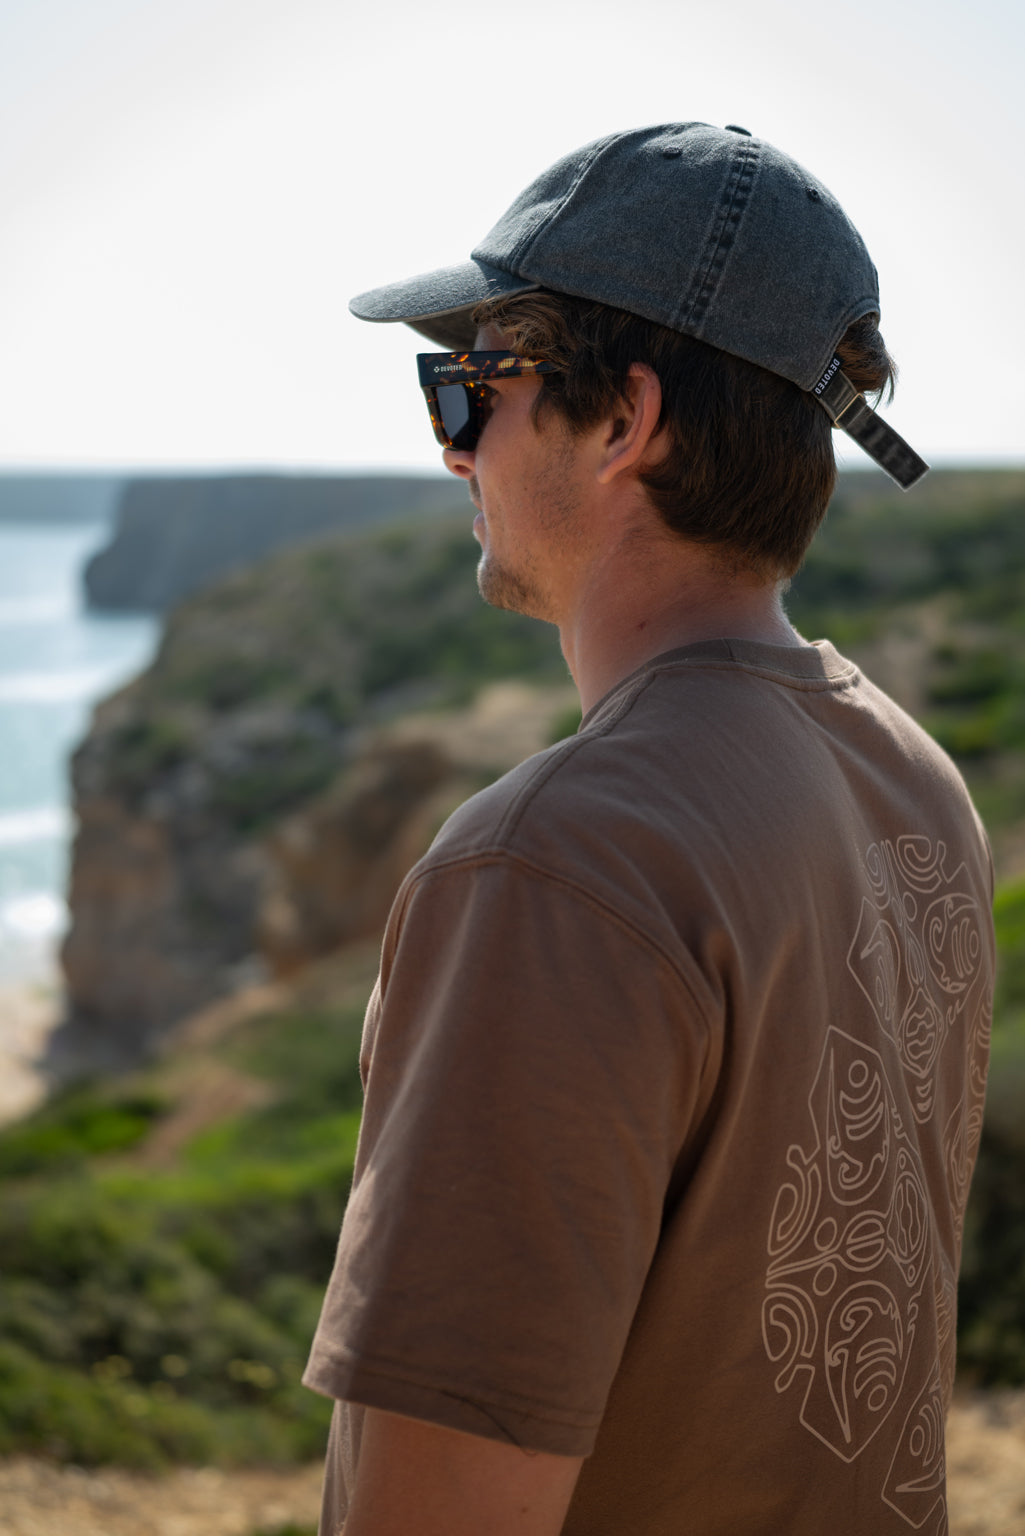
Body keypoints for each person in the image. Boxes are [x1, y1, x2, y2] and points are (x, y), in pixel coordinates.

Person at [303, 123, 994, 1536]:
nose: (455, 452)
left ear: (623, 420)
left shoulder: (555, 864)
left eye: (471, 390)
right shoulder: (915, 782)